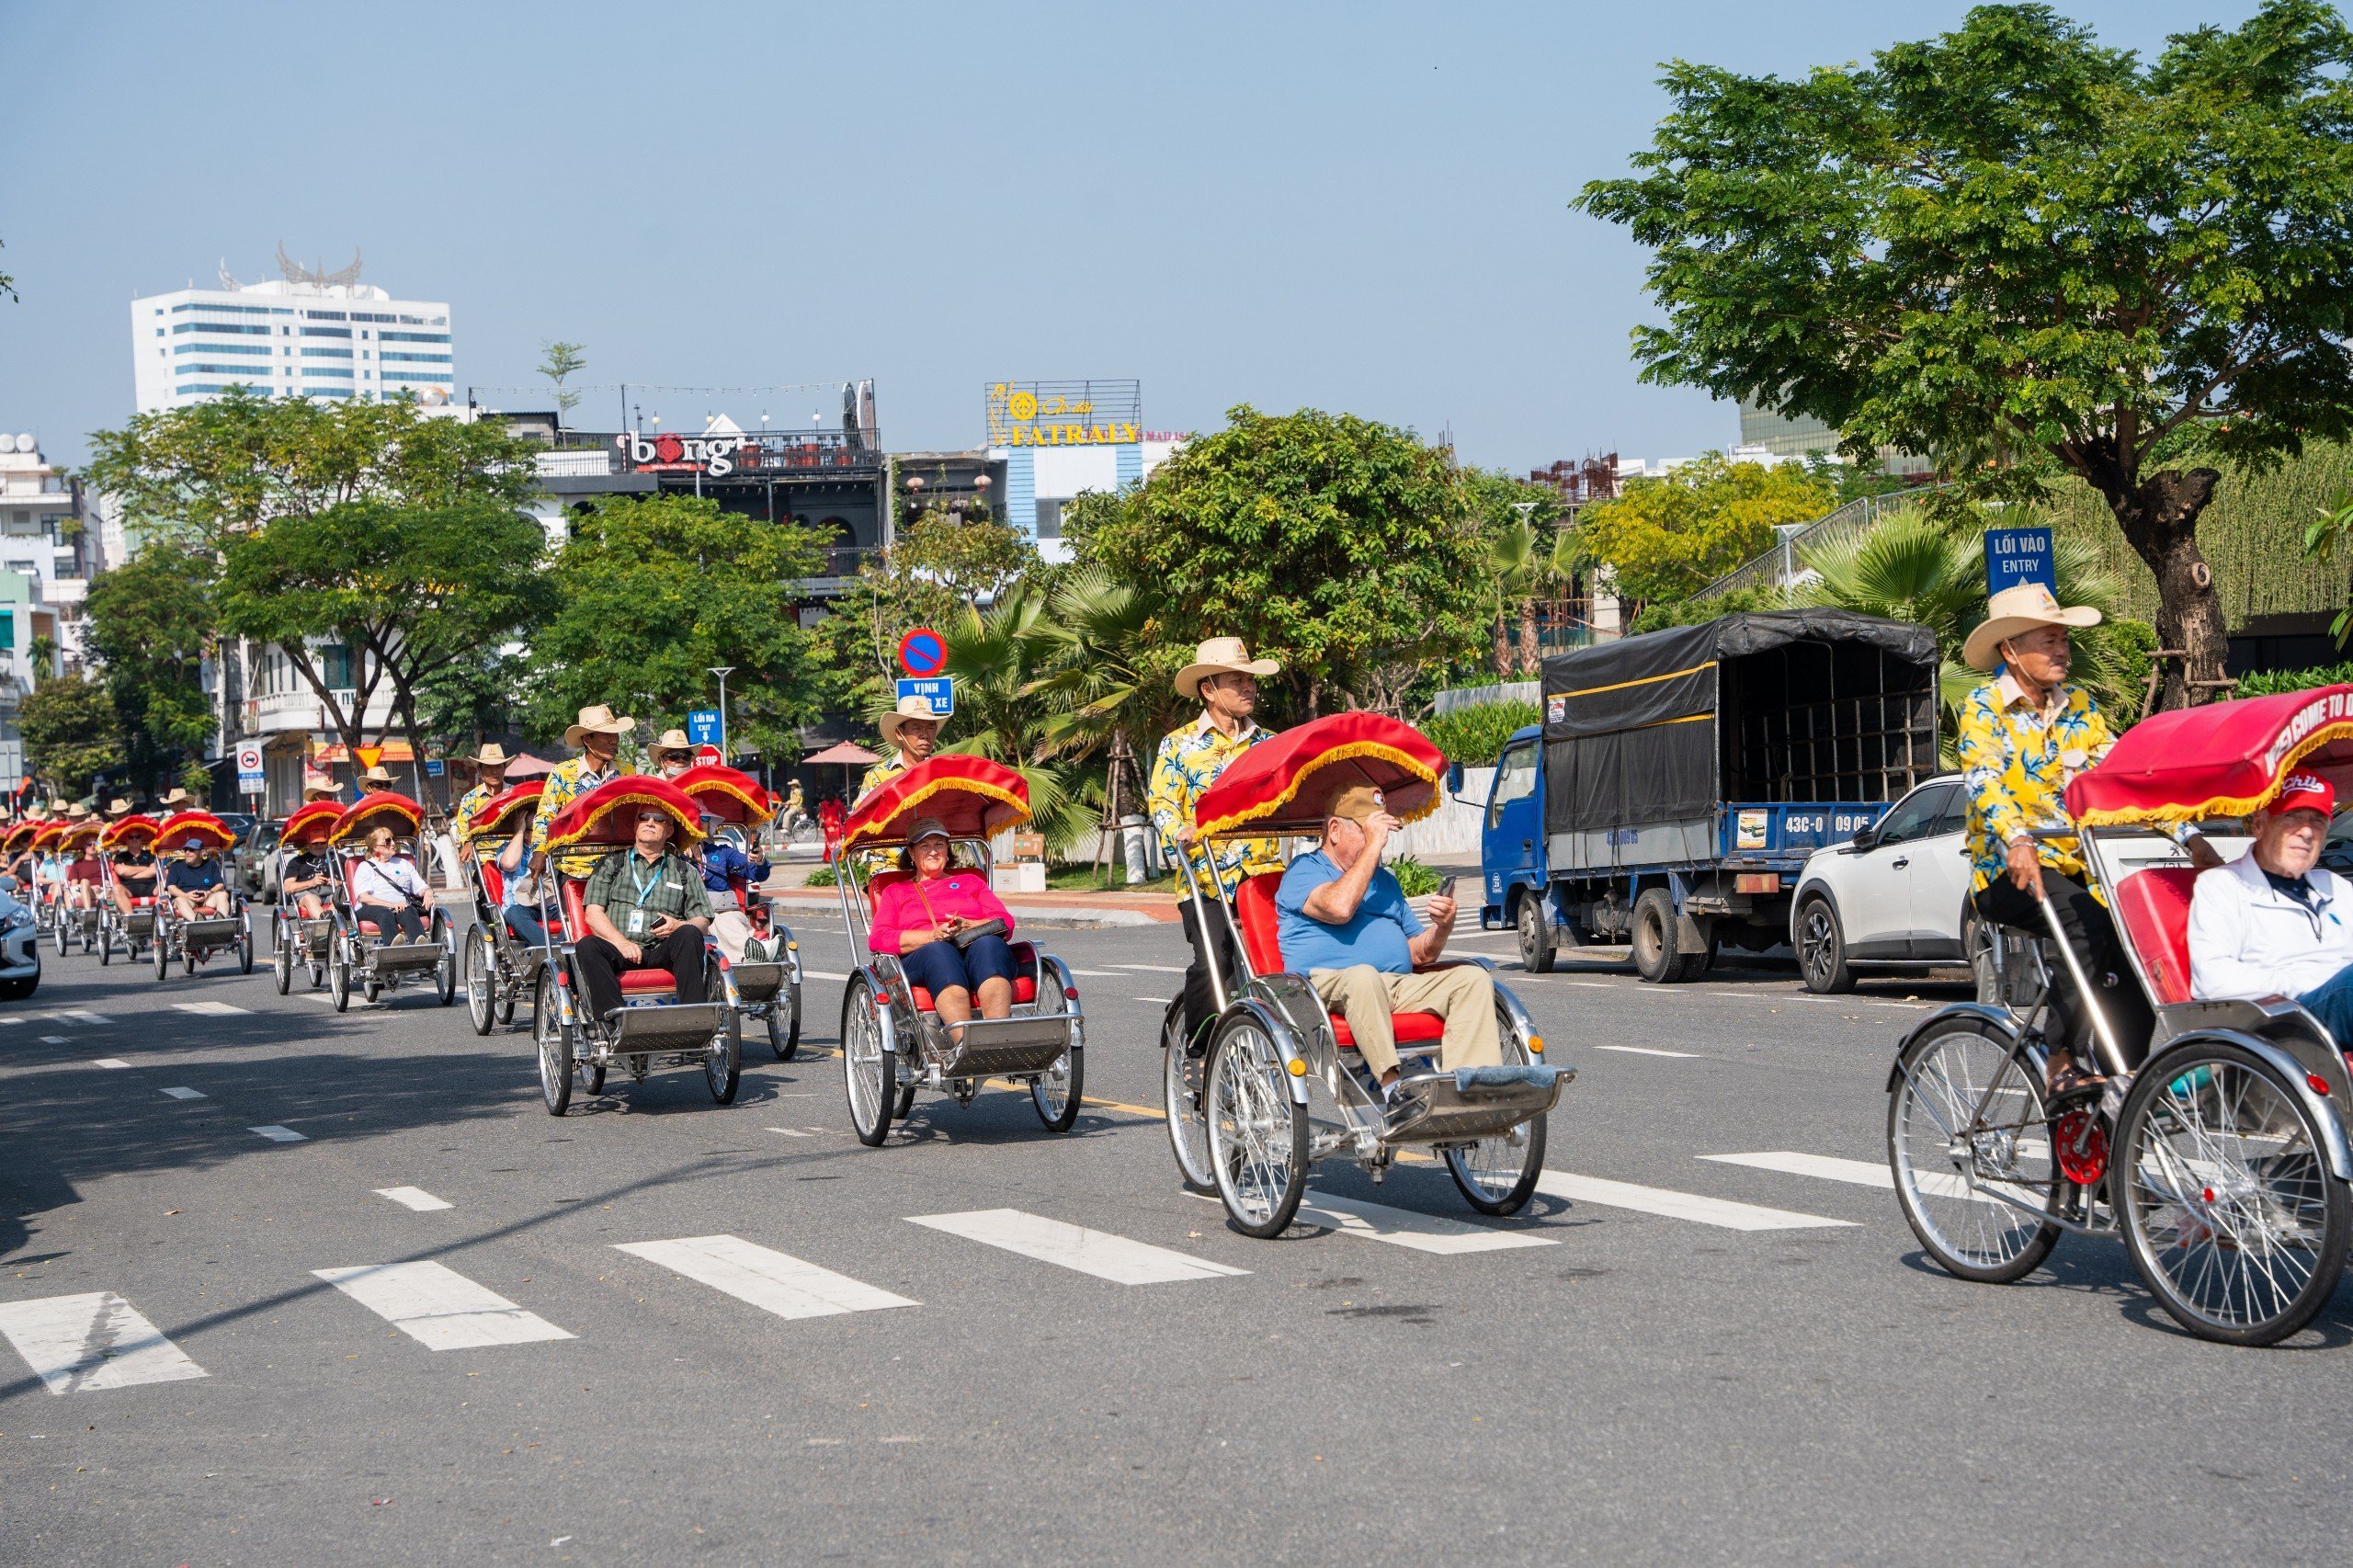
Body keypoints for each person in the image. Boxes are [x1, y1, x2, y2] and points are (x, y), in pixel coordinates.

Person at [1956, 582, 2219, 1099]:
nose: (2062, 650)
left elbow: (2126, 782)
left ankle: (2127, 1091)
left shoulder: (2081, 707)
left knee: (2139, 954)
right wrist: (2018, 837)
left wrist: (2192, 839)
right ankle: (2061, 1058)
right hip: (2006, 872)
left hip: (2081, 872)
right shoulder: (1982, 707)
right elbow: (1982, 780)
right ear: (2010, 650)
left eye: (2063, 640)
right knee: (2088, 923)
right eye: (2048, 640)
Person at [1277, 784, 1500, 1104]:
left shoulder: (1385, 881)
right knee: (1363, 976)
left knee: (1472, 979)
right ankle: (1393, 1088)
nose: (1378, 840)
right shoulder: (1305, 870)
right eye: (1367, 830)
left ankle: (1470, 1092)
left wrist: (1442, 927)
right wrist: (1373, 847)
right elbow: (1340, 908)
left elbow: (1419, 953)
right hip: (1322, 988)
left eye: (1380, 831)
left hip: (1393, 986)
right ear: (1335, 830)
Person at [1148, 636, 1285, 1052]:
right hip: (1205, 879)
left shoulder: (1270, 743)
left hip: (1263, 876)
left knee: (1285, 961)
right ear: (1208, 689)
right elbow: (1163, 804)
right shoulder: (1179, 745)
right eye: (1236, 680)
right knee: (1214, 961)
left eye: (1251, 680)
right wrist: (1180, 832)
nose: (1249, 688)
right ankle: (1201, 1051)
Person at [2187, 771, 2353, 1040]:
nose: (2307, 832)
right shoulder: (2221, 886)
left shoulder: (2335, 885)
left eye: (2318, 821)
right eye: (2293, 817)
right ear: (2260, 825)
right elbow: (2211, 979)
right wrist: (2305, 980)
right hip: (2283, 1021)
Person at [867, 817, 1019, 1037]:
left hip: (975, 949)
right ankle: (964, 1047)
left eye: (939, 844)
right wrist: (931, 936)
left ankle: (995, 1043)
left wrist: (971, 925)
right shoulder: (896, 891)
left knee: (990, 945)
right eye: (924, 846)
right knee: (940, 952)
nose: (933, 851)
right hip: (925, 956)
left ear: (948, 850)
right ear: (911, 853)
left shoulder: (971, 882)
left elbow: (1005, 921)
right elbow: (878, 938)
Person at [575, 804, 711, 1023]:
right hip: (619, 948)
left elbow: (703, 920)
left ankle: (693, 1022)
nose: (650, 822)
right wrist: (621, 943)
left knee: (690, 933)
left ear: (669, 831)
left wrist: (678, 925)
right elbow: (592, 913)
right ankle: (616, 1024)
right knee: (587, 945)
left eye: (658, 819)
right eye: (644, 817)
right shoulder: (612, 863)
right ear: (635, 825)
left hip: (662, 950)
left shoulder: (684, 870)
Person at [530, 705, 634, 881]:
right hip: (574, 867)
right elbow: (545, 815)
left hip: (620, 866)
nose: (614, 740)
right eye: (606, 735)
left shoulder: (627, 770)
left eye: (615, 734)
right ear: (587, 739)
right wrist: (539, 850)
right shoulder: (562, 772)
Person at [689, 816, 768, 962]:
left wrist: (759, 860)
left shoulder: (722, 852)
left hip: (728, 911)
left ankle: (754, 950)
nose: (699, 823)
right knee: (715, 921)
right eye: (693, 818)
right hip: (698, 915)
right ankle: (757, 950)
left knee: (731, 920)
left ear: (709, 825)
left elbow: (755, 873)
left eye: (704, 819)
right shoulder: (675, 855)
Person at [351, 824, 432, 944]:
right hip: (370, 908)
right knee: (385, 913)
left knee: (409, 910)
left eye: (394, 839)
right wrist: (391, 905)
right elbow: (364, 897)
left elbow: (421, 887)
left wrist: (428, 891)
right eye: (388, 841)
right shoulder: (365, 867)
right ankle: (393, 948)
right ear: (375, 847)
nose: (393, 843)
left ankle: (421, 946)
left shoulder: (403, 864)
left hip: (401, 906)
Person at [858, 697, 944, 803]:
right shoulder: (878, 776)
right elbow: (860, 817)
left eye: (930, 728)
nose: (925, 735)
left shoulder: (944, 773)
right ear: (899, 733)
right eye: (917, 728)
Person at [447, 744, 514, 869]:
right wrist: (467, 843)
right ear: (480, 770)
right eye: (489, 767)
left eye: (498, 766)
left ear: (504, 768)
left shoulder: (515, 794)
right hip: (483, 857)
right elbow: (463, 831)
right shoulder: (470, 799)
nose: (494, 772)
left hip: (515, 854)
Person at [162, 835, 232, 921]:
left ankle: (221, 921)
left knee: (223, 895)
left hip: (208, 898)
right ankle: (197, 922)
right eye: (185, 850)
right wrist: (185, 895)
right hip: (186, 899)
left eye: (191, 850)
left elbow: (220, 884)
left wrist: (208, 893)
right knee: (180, 900)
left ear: (201, 852)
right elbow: (171, 888)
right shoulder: (175, 866)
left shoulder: (211, 864)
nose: (187, 852)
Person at [279, 836, 335, 920]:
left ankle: (330, 918)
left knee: (341, 897)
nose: (319, 845)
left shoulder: (339, 858)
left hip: (333, 891)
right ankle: (324, 920)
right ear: (308, 843)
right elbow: (288, 887)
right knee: (309, 898)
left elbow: (352, 882)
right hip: (308, 893)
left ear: (327, 842)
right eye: (315, 843)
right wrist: (312, 883)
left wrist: (338, 882)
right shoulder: (297, 861)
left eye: (322, 843)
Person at [108, 828, 159, 915]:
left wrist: (129, 874)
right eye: (131, 837)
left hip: (151, 886)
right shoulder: (120, 857)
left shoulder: (150, 854)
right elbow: (121, 871)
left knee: (165, 885)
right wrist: (146, 868)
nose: (134, 839)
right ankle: (131, 918)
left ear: (141, 839)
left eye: (137, 837)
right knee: (116, 889)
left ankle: (158, 915)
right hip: (129, 888)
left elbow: (154, 870)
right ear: (126, 840)